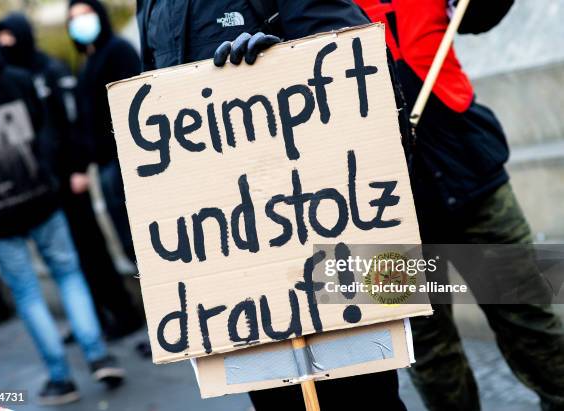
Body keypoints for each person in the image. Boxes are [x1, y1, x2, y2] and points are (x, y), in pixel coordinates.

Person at [136, 1, 407, 410]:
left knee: (362, 401)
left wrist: (284, 68)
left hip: (322, 239)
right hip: (231, 259)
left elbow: (358, 64)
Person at [355, 1, 564, 410]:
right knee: (429, 352)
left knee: (531, 321)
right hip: (381, 207)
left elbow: (480, 14)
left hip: (471, 174)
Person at [0, 8, 124, 406]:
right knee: (70, 274)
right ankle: (99, 356)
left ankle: (61, 378)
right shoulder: (19, 79)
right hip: (43, 200)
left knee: (28, 294)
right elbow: (45, 132)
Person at [0, 12, 143, 341]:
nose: (6, 44)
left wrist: (77, 166)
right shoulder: (17, 77)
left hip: (76, 176)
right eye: (0, 38)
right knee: (73, 258)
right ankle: (93, 318)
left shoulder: (52, 70)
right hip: (47, 184)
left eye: (9, 36)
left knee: (95, 249)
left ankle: (121, 312)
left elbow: (73, 122)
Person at [68, 0, 141, 263]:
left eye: (85, 14)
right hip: (105, 163)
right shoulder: (87, 62)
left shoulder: (118, 50)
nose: (80, 21)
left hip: (125, 158)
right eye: (73, 17)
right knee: (125, 235)